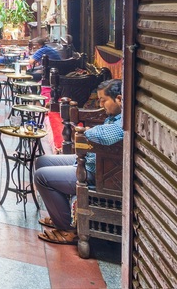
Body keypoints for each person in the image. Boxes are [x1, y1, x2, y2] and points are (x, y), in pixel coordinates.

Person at [34, 79, 123, 245]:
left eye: (104, 100)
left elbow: (105, 135)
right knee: (42, 161)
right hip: (89, 161)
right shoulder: (114, 116)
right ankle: (59, 214)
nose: (101, 105)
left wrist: (87, 132)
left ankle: (67, 229)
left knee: (41, 177)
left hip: (96, 173)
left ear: (119, 99)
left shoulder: (124, 121)